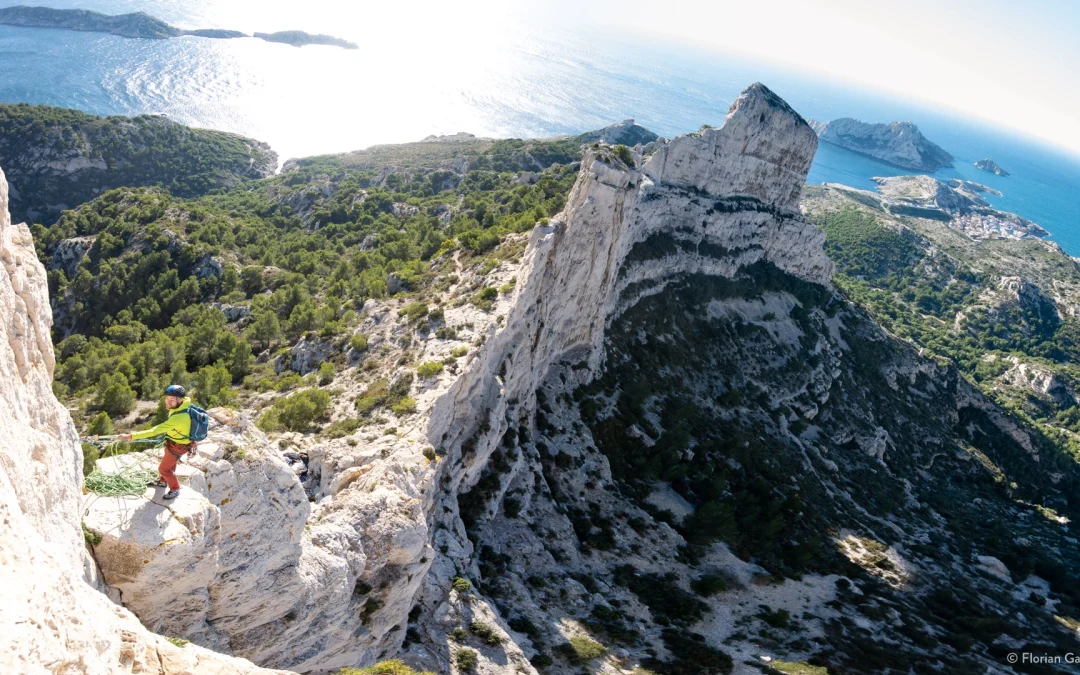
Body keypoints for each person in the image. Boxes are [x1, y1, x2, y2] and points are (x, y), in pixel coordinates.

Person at [118, 385, 197, 501]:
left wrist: (129, 436)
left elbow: (153, 431)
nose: (168, 402)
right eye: (167, 398)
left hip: (178, 445)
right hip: (176, 441)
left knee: (164, 469)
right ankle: (163, 481)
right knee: (170, 463)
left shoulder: (179, 417)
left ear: (180, 400)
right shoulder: (183, 405)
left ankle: (175, 488)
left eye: (171, 400)